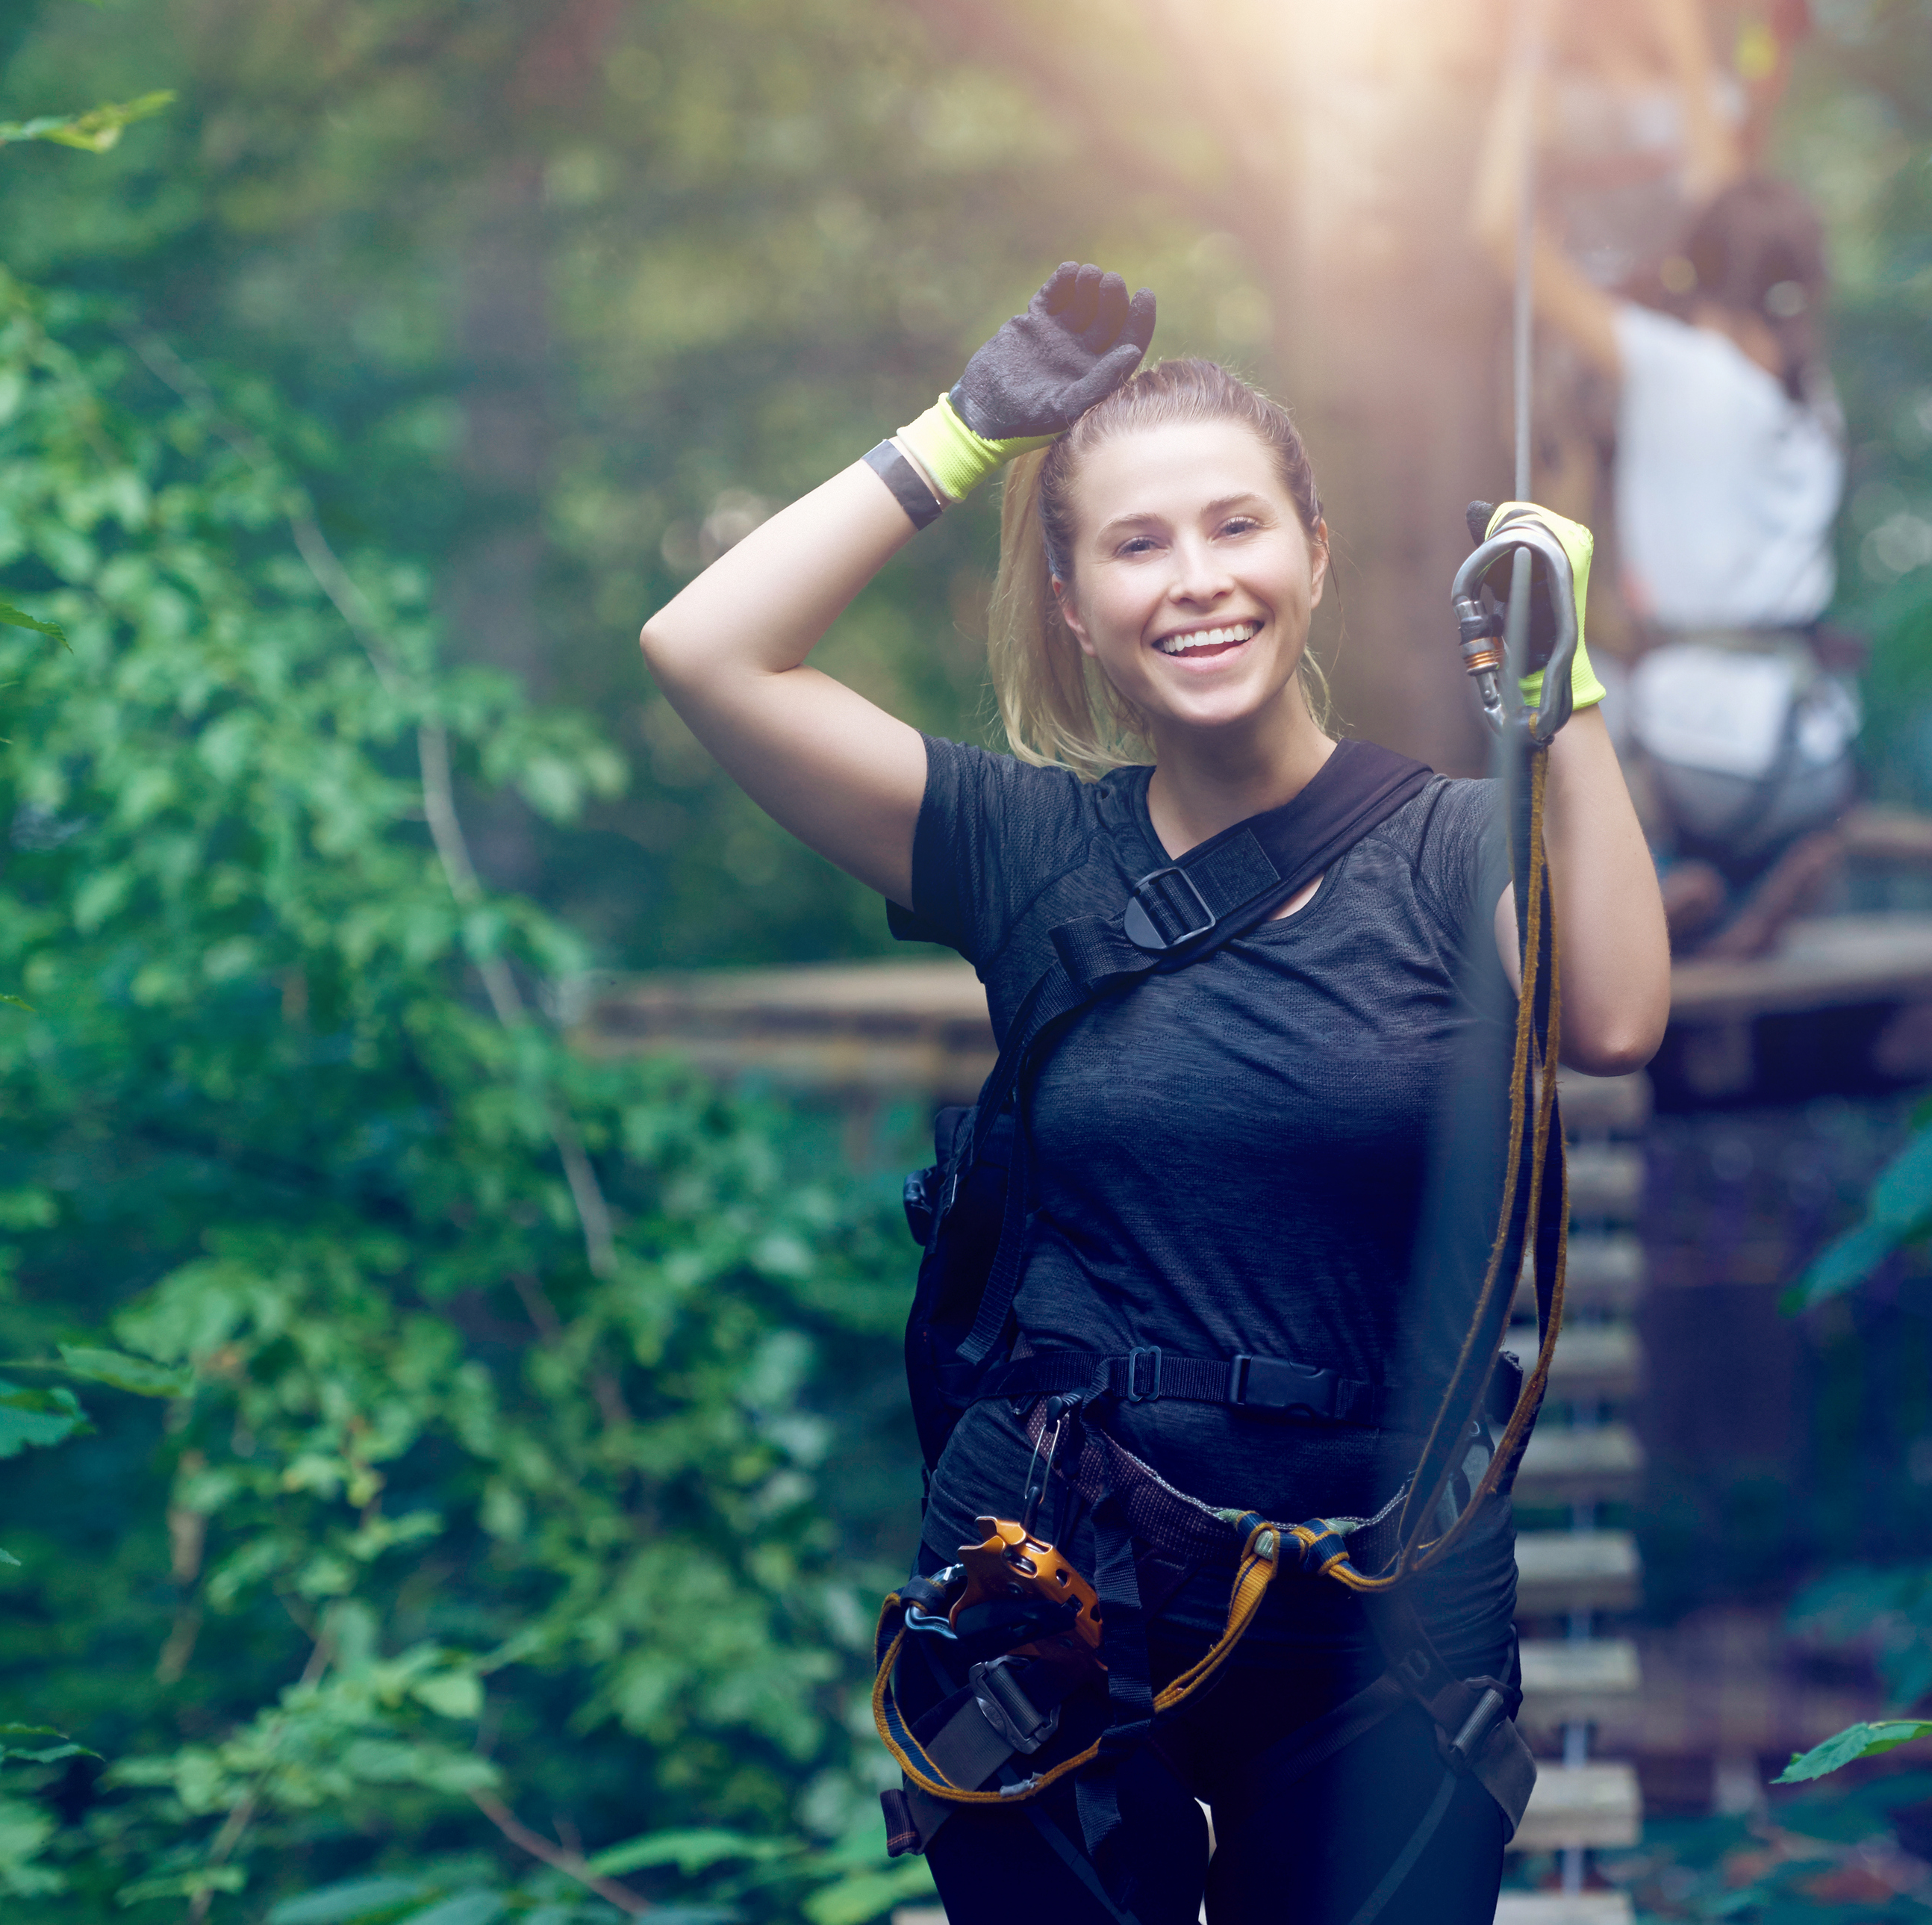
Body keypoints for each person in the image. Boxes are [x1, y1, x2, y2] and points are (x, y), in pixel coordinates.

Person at [639, 266, 1666, 1924]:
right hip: (1051, 1569)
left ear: (1312, 553)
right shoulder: (1022, 847)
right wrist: (968, 432)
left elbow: (1612, 1010)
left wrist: (1560, 698)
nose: (1196, 581)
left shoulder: (1446, 846)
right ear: (1069, 600)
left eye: (1235, 527)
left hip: (1379, 1589)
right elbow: (705, 650)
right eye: (1134, 543)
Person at [1475, 15, 1859, 960]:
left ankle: (1665, 877)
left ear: (1699, 267)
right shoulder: (1813, 399)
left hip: (1703, 756)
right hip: (1817, 749)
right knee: (1675, 702)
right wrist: (1689, 51)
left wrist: (1527, 56)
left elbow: (1498, 236)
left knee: (1568, 707)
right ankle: (1745, 881)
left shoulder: (1669, 367)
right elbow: (1728, 212)